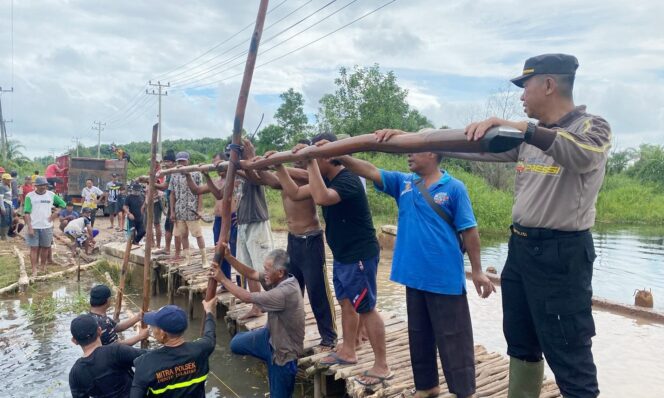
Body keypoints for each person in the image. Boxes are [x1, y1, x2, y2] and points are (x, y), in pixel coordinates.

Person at [387, 54, 609, 397]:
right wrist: (417, 138)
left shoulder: (592, 127)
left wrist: (526, 129)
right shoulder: (524, 139)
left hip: (561, 256)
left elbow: (582, 156)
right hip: (520, 250)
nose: (521, 97)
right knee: (520, 343)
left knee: (569, 352)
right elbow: (472, 147)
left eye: (526, 87)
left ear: (549, 85)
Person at [336, 148, 496, 397]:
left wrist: (477, 270)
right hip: (414, 276)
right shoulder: (404, 183)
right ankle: (427, 386)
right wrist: (343, 158)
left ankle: (463, 392)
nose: (408, 155)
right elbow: (370, 170)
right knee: (419, 335)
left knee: (454, 338)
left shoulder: (454, 188)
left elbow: (470, 230)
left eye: (415, 151)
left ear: (432, 154)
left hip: (444, 278)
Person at [274, 132, 390, 386]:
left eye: (317, 157)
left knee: (366, 309)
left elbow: (322, 198)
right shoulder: (326, 179)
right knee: (346, 303)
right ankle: (347, 350)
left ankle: (382, 364)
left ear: (327, 157)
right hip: (342, 255)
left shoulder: (348, 180)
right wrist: (279, 166)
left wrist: (310, 159)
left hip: (358, 254)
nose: (311, 165)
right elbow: (294, 192)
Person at [250, 145, 338, 350]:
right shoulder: (285, 179)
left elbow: (296, 184)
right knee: (291, 288)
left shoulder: (312, 179)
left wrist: (277, 164)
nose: (297, 161)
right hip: (294, 240)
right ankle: (286, 332)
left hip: (311, 240)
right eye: (295, 157)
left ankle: (329, 337)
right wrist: (250, 160)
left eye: (301, 157)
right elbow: (263, 178)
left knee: (318, 292)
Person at [211, 246, 304, 398]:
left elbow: (247, 297)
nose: (264, 273)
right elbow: (252, 273)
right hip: (269, 336)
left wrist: (222, 279)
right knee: (236, 344)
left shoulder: (285, 292)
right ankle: (266, 355)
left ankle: (271, 361)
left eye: (267, 270)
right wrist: (229, 257)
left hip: (283, 354)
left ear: (280, 273)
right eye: (264, 269)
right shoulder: (280, 278)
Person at [131, 299, 217, 397]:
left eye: (153, 326)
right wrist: (209, 311)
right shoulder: (202, 349)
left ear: (163, 333)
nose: (151, 329)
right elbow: (210, 334)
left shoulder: (145, 363)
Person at [234, 139, 274, 319]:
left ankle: (274, 305)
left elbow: (257, 180)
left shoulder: (255, 164)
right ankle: (257, 307)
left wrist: (248, 159)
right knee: (248, 268)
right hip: (243, 223)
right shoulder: (236, 169)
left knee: (264, 270)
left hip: (256, 221)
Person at [184, 151, 240, 282]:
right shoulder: (216, 181)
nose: (217, 168)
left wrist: (206, 175)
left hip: (233, 218)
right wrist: (187, 176)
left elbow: (220, 194)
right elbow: (196, 190)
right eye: (215, 165)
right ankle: (225, 282)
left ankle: (240, 284)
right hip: (219, 220)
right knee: (219, 250)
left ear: (227, 164)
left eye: (219, 164)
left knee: (237, 252)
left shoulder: (235, 179)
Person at [69, 314, 146, 398]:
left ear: (74, 341)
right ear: (99, 331)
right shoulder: (115, 351)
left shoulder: (75, 373)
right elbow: (151, 358)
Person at [168, 151, 208, 267]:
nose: (181, 163)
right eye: (179, 161)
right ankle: (187, 259)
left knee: (198, 234)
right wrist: (172, 211)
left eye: (183, 161)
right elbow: (172, 194)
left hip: (192, 210)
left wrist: (200, 209)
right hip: (179, 211)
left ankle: (204, 259)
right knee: (183, 235)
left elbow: (200, 192)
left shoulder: (195, 173)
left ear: (188, 161)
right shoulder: (174, 174)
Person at [23, 176, 67, 275]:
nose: (43, 187)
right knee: (34, 248)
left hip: (47, 226)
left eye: (45, 185)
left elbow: (63, 204)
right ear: (36, 186)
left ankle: (43, 266)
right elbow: (26, 213)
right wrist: (29, 227)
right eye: (40, 185)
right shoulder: (30, 196)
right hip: (34, 226)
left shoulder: (51, 195)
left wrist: (56, 213)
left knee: (45, 247)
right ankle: (34, 269)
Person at [153, 150, 179, 257]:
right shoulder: (169, 172)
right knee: (169, 226)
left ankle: (177, 251)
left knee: (176, 227)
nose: (166, 164)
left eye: (168, 161)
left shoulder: (172, 172)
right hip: (171, 202)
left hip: (176, 203)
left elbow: (164, 187)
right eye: (165, 162)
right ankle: (168, 249)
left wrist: (152, 183)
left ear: (173, 162)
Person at [0, 173, 14, 240]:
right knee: (4, 220)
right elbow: (1, 198)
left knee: (8, 219)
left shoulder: (7, 185)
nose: (9, 181)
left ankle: (5, 235)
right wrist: (2, 208)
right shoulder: (1, 186)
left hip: (8, 204)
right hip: (5, 204)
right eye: (8, 180)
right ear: (3, 179)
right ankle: (3, 236)